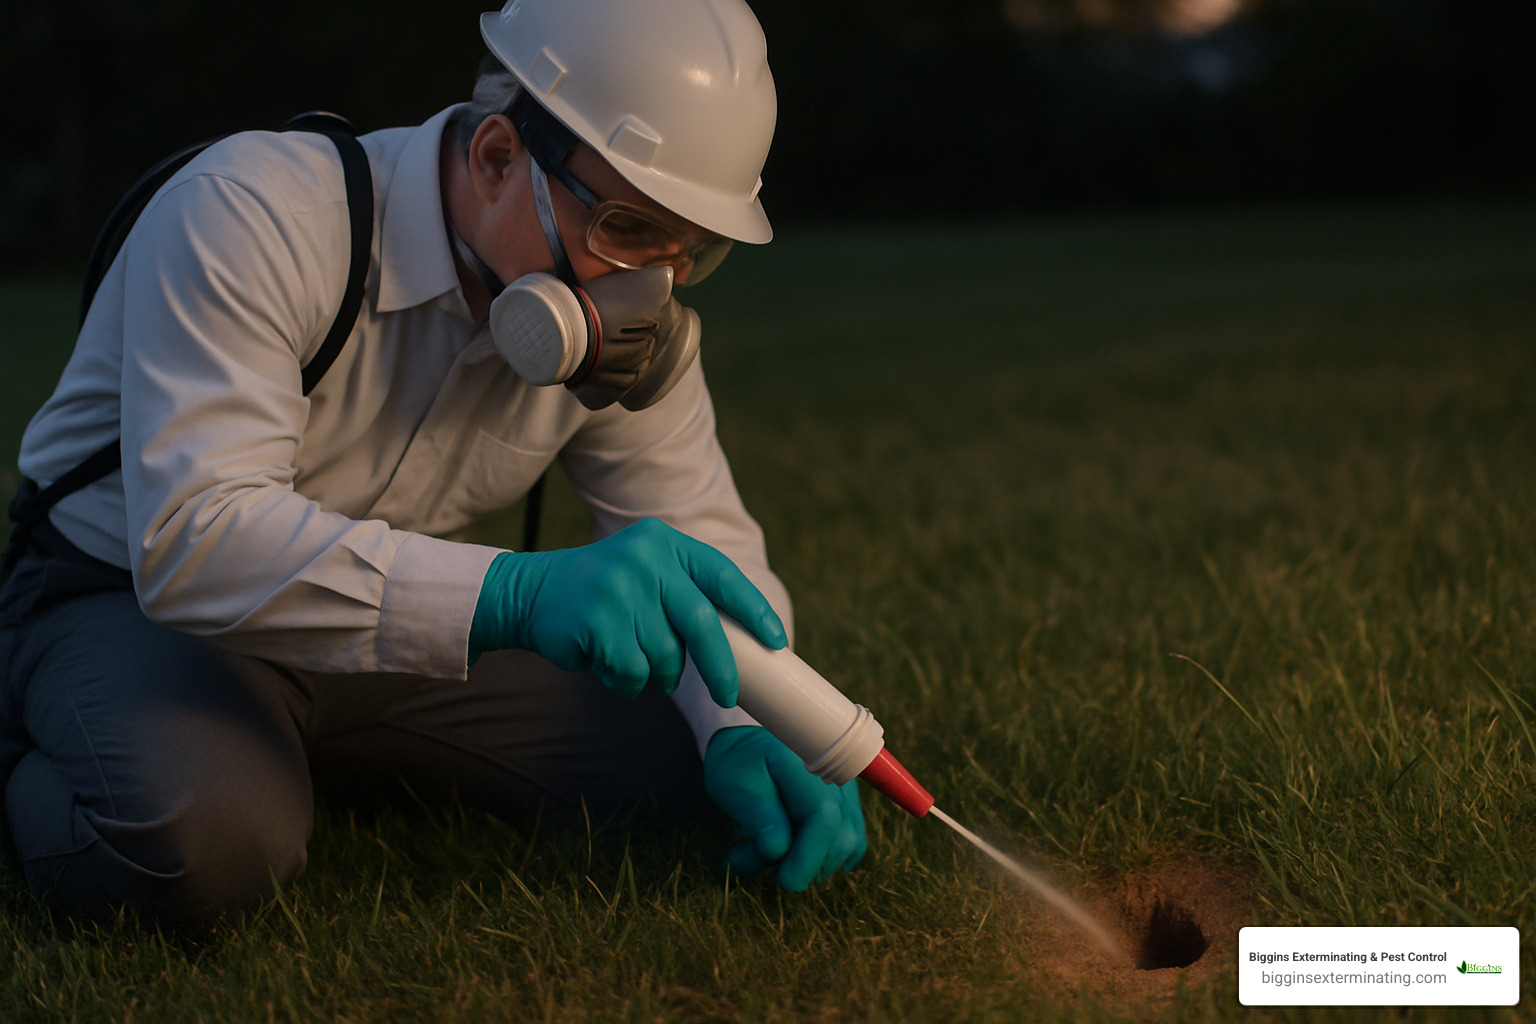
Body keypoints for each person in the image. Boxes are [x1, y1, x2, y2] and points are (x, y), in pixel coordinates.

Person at [0, 0, 866, 928]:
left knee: (688, 762)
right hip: (131, 600)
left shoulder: (611, 333)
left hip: (372, 625)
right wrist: (517, 599)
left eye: (691, 250)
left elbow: (703, 535)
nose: (650, 287)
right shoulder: (256, 213)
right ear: (497, 158)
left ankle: (278, 749)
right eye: (626, 227)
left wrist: (750, 724)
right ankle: (57, 735)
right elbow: (196, 540)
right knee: (203, 846)